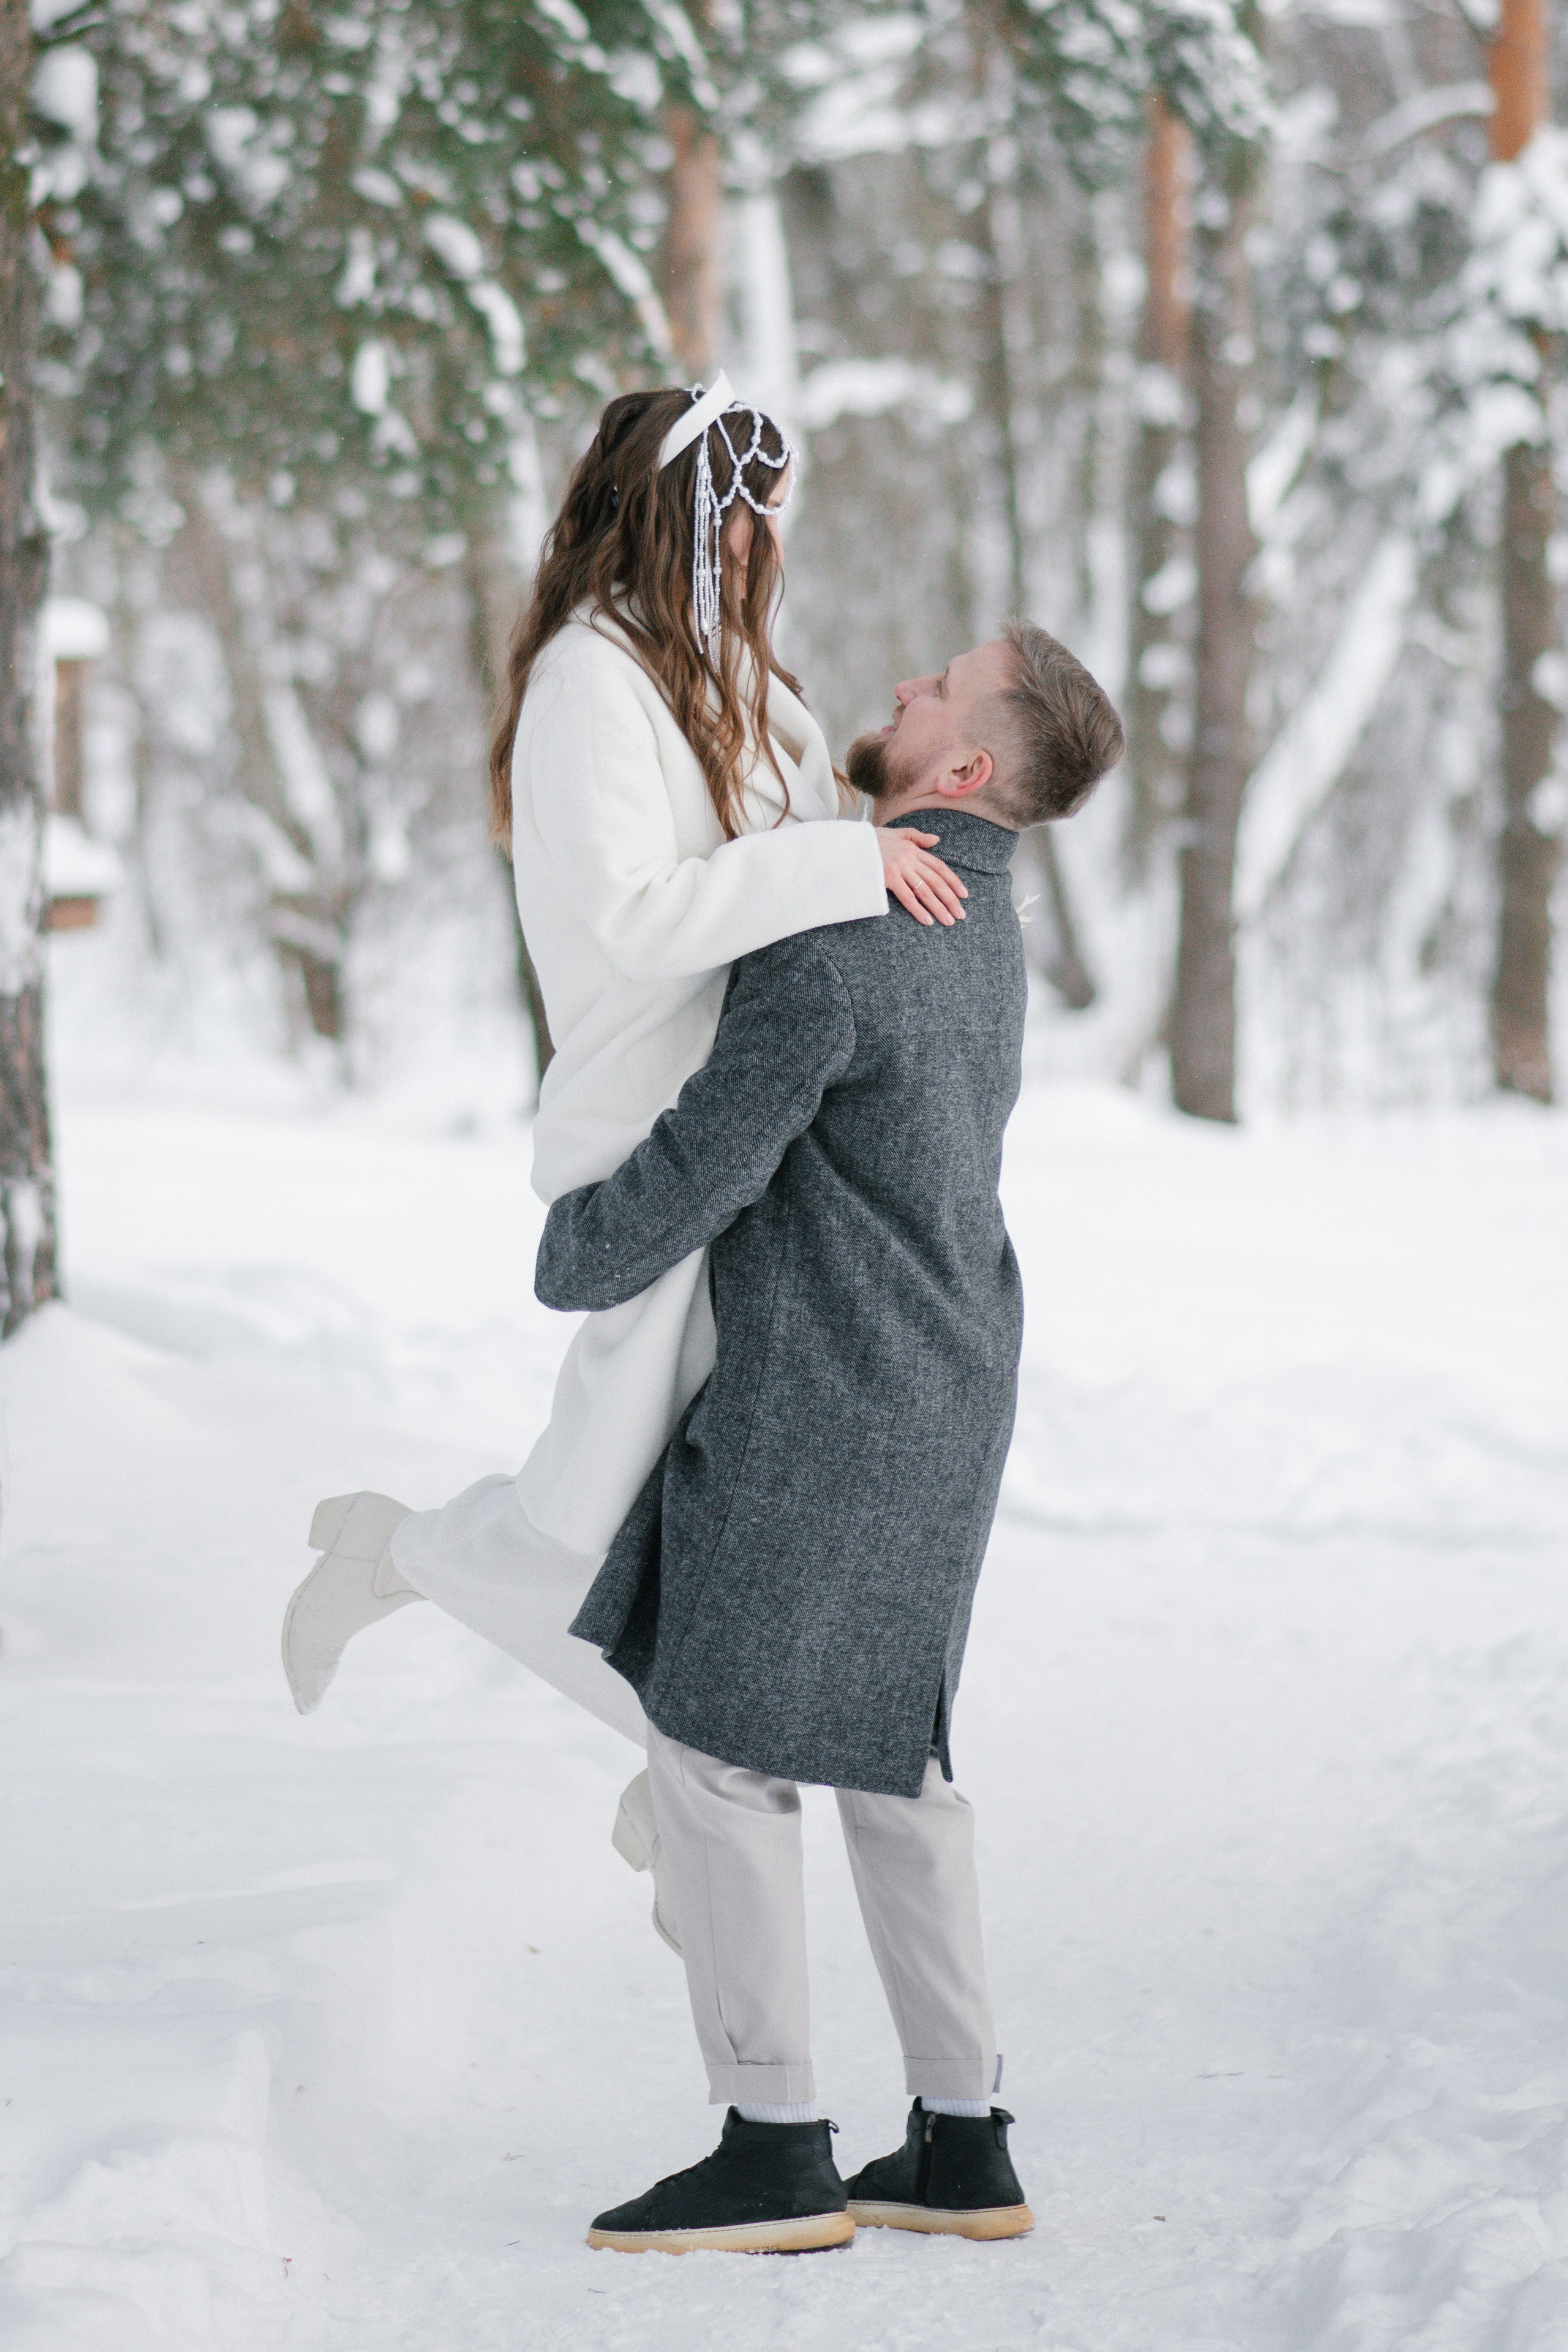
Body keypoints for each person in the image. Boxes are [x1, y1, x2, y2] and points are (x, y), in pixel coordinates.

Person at [279, 379, 968, 1910]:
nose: (769, 536)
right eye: (749, 505)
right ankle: (412, 1568)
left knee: (723, 1528)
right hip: (659, 1137)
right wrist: (844, 864)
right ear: (683, 508)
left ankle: (677, 1789)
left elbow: (812, 857)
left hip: (756, 1137)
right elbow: (632, 921)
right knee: (594, 1520)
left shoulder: (735, 670)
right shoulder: (591, 679)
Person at [532, 622, 1124, 2253]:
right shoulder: (978, 918)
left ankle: (773, 2143)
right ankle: (961, 2138)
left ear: (968, 765)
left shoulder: (849, 932)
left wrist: (575, 1252)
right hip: (951, 1377)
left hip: (826, 1393)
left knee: (712, 1744)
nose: (905, 685)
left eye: (939, 687)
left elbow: (709, 1156)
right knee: (894, 1753)